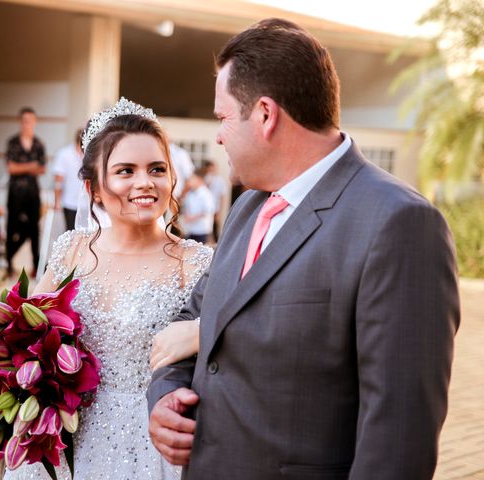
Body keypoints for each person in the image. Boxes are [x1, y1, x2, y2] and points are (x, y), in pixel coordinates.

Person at [148, 18, 460, 480]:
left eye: (222, 118)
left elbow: (398, 439)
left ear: (266, 115)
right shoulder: (248, 207)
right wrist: (166, 397)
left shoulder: (398, 224)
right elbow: (196, 318)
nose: (218, 135)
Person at [5, 98, 212, 480]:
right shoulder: (71, 250)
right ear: (94, 189)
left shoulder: (195, 263)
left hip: (152, 439)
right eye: (125, 171)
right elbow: (25, 335)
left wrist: (202, 333)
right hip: (66, 433)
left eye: (156, 169)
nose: (144, 182)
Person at [5, 107, 46, 277]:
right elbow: (11, 168)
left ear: (35, 122)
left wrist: (23, 167)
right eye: (24, 121)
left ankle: (36, 266)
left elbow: (42, 169)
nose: (27, 124)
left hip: (32, 192)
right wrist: (31, 166)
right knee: (12, 227)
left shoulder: (38, 144)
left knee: (34, 229)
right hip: (15, 192)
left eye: (30, 120)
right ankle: (8, 264)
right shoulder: (13, 142)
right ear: (20, 122)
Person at [51, 128, 85, 231]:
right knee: (71, 232)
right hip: (70, 201)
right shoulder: (64, 154)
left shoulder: (91, 154)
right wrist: (57, 201)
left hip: (87, 203)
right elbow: (58, 180)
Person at [181, 173, 214, 244]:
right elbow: (186, 206)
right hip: (190, 229)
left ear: (199, 180)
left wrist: (192, 218)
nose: (190, 182)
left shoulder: (206, 194)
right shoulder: (190, 193)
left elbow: (208, 210)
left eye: (192, 180)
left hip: (201, 229)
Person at [201, 160, 227, 242]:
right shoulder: (203, 179)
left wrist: (220, 211)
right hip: (205, 209)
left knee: (215, 228)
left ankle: (216, 244)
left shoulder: (220, 181)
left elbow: (222, 197)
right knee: (205, 228)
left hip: (216, 208)